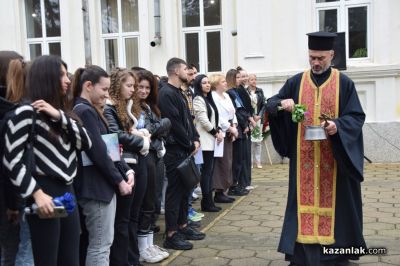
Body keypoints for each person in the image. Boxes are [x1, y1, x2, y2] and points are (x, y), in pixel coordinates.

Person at [266, 32, 366, 266]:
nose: (316, 63)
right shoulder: (296, 82)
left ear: (332, 55)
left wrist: (336, 126)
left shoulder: (344, 83)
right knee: (302, 207)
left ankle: (337, 257)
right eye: (312, 57)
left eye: (321, 58)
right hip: (305, 163)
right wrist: (282, 104)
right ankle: (304, 257)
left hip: (335, 162)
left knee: (339, 208)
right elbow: (270, 104)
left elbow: (356, 117)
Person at [3, 55, 92, 266]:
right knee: (47, 260)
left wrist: (58, 116)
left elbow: (86, 143)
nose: (68, 80)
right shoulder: (25, 113)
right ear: (46, 78)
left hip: (67, 191)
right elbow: (11, 160)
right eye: (61, 74)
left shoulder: (61, 115)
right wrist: (37, 194)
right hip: (43, 191)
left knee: (70, 259)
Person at [72, 65, 133, 266]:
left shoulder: (89, 110)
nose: (107, 95)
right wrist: (119, 180)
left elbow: (110, 148)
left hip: (100, 186)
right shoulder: (84, 111)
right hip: (96, 188)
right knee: (100, 245)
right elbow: (98, 151)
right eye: (104, 90)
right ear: (88, 86)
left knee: (101, 243)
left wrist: (126, 170)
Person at [159, 57, 205, 250]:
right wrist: (188, 143)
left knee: (185, 190)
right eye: (186, 69)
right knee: (174, 193)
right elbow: (174, 124)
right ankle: (171, 234)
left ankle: (183, 225)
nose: (189, 72)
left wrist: (196, 138)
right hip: (174, 151)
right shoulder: (166, 94)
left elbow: (188, 119)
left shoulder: (180, 93)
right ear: (176, 71)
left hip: (185, 149)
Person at [129, 69, 170, 263]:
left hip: (156, 154)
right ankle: (141, 247)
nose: (143, 91)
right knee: (145, 203)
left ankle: (148, 244)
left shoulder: (149, 107)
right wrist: (156, 129)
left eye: (147, 87)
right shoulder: (130, 108)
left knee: (152, 203)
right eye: (140, 87)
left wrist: (151, 130)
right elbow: (135, 134)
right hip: (143, 158)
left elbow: (162, 126)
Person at [192, 74, 223, 212]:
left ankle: (208, 201)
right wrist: (215, 132)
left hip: (211, 141)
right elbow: (203, 120)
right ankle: (206, 202)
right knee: (206, 173)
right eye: (204, 83)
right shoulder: (198, 99)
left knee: (209, 172)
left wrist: (219, 130)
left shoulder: (208, 99)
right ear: (198, 85)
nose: (207, 85)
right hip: (204, 142)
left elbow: (214, 118)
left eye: (208, 83)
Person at [209, 73, 238, 203]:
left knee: (228, 160)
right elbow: (218, 116)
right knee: (222, 161)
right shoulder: (214, 97)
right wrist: (229, 128)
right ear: (216, 84)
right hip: (222, 131)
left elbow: (233, 112)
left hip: (230, 130)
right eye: (223, 82)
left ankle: (224, 189)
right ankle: (219, 191)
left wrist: (235, 126)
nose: (226, 83)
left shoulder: (226, 95)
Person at [247, 74, 266, 169]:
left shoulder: (260, 91)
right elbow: (245, 106)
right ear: (248, 81)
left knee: (258, 141)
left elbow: (263, 105)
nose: (254, 81)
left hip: (258, 119)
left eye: (255, 79)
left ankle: (258, 161)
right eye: (251, 80)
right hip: (250, 119)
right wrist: (251, 116)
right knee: (250, 141)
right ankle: (250, 162)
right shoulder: (246, 91)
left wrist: (260, 115)